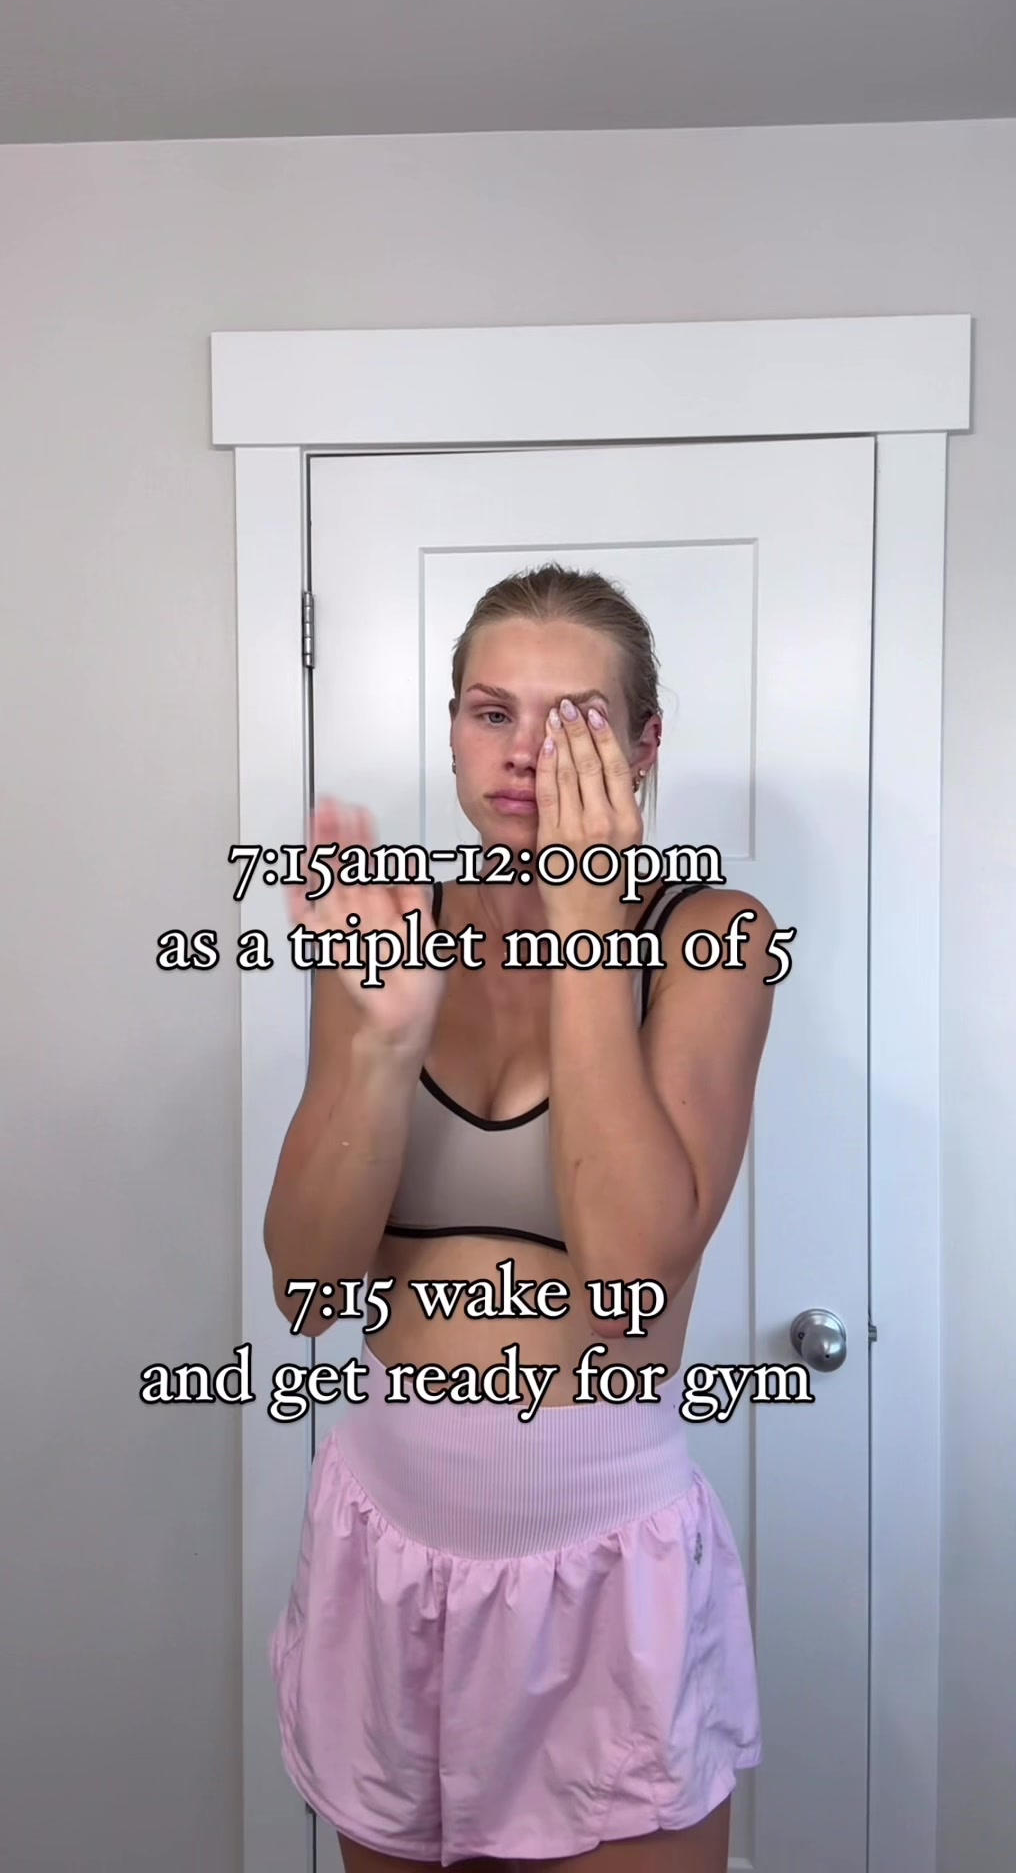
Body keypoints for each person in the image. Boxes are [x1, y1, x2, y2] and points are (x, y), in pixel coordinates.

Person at [265, 564, 777, 1873]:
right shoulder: (394, 921)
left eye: (576, 721)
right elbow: (307, 1290)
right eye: (492, 712)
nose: (523, 754)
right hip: (383, 1543)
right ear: (451, 727)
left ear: (645, 746)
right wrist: (383, 1044)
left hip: (604, 1561)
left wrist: (587, 928)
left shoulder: (712, 937)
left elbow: (628, 1281)